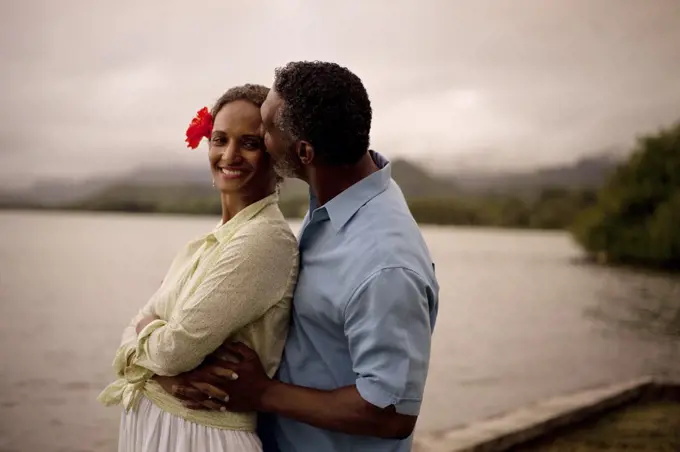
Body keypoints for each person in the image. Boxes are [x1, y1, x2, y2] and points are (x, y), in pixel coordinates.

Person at [170, 61, 439, 452]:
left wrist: (262, 393)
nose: (258, 136)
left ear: (304, 151)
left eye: (265, 129)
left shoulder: (384, 265)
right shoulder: (339, 194)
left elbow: (390, 412)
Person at [97, 84, 299, 452]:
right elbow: (140, 326)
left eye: (249, 143)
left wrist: (152, 348)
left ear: (275, 152)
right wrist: (161, 372)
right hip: (169, 432)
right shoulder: (210, 241)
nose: (229, 155)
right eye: (220, 139)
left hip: (203, 438)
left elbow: (175, 350)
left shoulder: (264, 241)